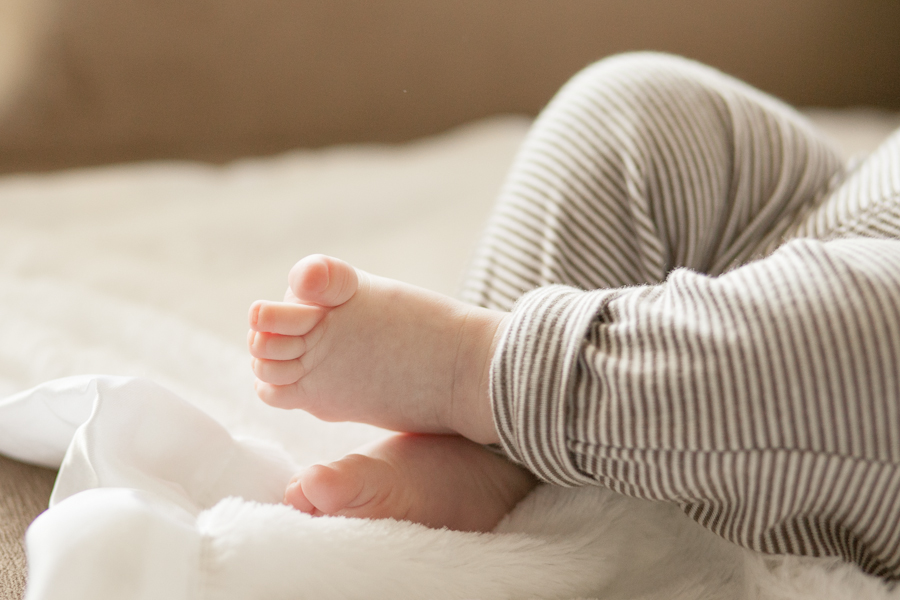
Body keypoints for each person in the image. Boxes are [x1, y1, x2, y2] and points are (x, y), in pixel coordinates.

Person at [246, 53, 900, 580]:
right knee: (639, 106)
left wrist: (467, 367)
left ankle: (477, 372)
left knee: (864, 343)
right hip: (833, 201)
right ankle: (495, 453)